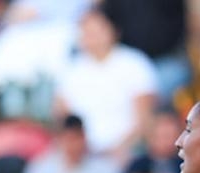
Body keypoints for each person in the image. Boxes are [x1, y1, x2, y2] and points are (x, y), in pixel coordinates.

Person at [53, 7, 158, 161]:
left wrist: (119, 150)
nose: (91, 36)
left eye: (97, 30)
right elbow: (63, 117)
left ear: (114, 30)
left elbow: (145, 119)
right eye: (86, 31)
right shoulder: (70, 70)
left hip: (127, 153)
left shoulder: (135, 64)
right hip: (82, 156)